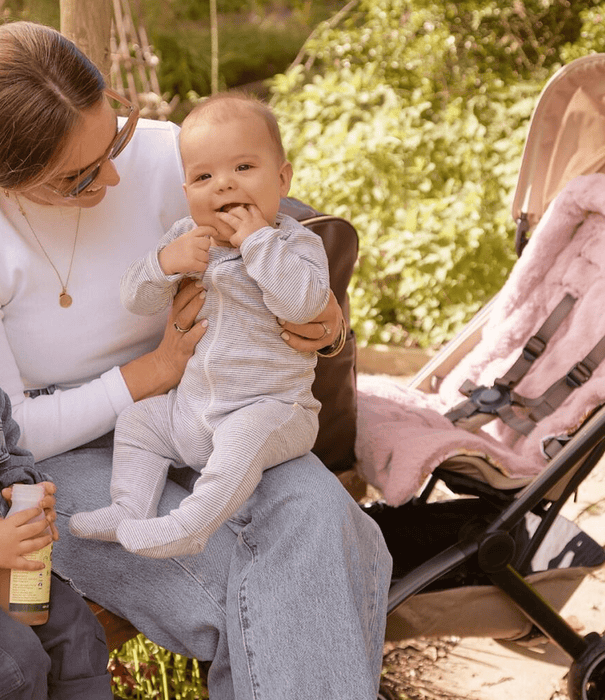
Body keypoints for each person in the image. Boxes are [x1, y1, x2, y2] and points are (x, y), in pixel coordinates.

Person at [0, 19, 391, 700]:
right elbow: (16, 431)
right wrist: (149, 373)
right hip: (66, 458)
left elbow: (285, 238)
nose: (116, 173)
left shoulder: (167, 159)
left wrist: (326, 322)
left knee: (323, 521)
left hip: (220, 406)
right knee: (288, 593)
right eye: (79, 175)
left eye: (114, 135)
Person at [70, 92, 331, 558]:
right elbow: (136, 299)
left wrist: (257, 243)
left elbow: (302, 304)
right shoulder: (186, 241)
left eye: (244, 168)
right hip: (191, 412)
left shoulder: (294, 245)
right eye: (204, 176)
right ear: (186, 192)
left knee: (243, 441)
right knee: (138, 421)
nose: (224, 186)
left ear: (283, 178)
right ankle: (127, 507)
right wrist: (163, 263)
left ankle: (190, 526)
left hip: (271, 408)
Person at [0, 387, 113, 700]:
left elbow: (11, 460)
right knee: (17, 665)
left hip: (8, 569)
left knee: (78, 634)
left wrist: (26, 494)